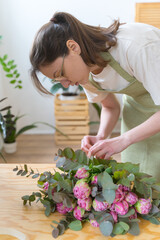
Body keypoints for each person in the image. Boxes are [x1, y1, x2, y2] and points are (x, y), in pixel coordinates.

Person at [30, 12, 160, 181]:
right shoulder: (84, 71)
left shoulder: (136, 46)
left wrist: (123, 140)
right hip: (139, 115)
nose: (65, 84)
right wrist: (101, 136)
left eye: (61, 73)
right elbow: (109, 106)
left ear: (73, 47)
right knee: (143, 185)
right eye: (58, 80)